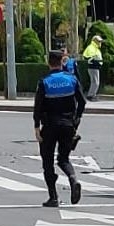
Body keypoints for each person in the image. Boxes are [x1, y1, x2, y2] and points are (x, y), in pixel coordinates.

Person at [33, 50, 87, 207]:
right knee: (63, 158)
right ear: (62, 62)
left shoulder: (44, 82)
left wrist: (37, 126)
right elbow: (82, 102)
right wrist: (76, 121)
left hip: (49, 126)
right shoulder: (72, 79)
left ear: (48, 62)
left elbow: (38, 107)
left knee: (48, 161)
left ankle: (53, 197)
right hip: (68, 125)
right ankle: (73, 178)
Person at [82, 35, 103, 101]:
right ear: (94, 41)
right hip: (93, 67)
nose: (100, 42)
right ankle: (90, 95)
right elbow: (89, 57)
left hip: (95, 67)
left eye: (100, 41)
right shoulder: (91, 47)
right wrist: (95, 61)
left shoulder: (95, 48)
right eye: (99, 41)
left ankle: (92, 95)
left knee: (95, 82)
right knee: (95, 82)